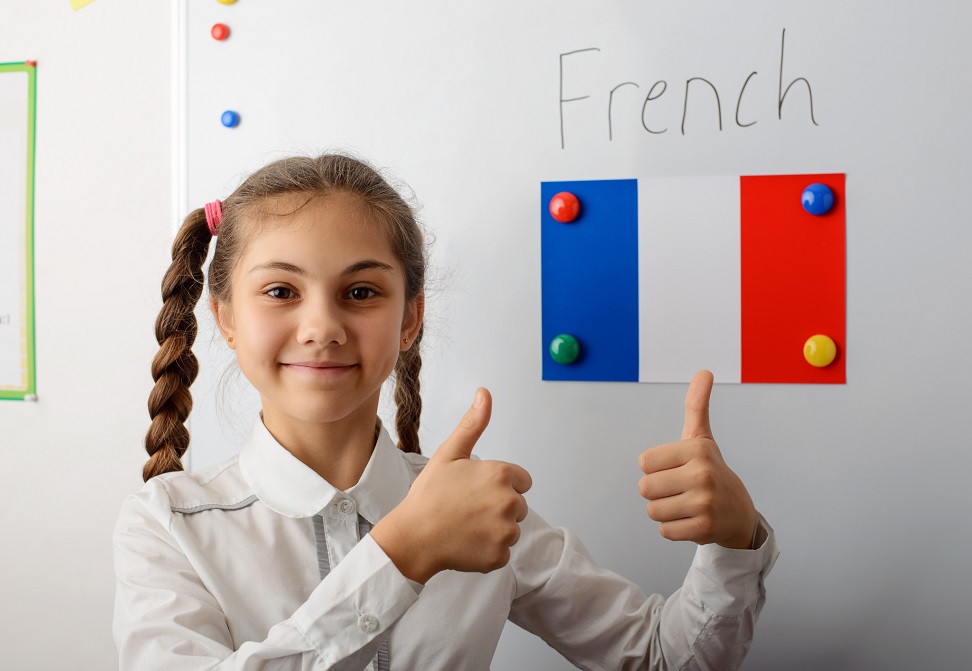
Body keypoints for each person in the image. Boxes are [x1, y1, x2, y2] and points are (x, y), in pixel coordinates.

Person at [113, 153, 778, 670]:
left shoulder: (476, 507)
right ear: (226, 318)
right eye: (281, 290)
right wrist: (401, 555)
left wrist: (732, 540)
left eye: (362, 290)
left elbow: (664, 656)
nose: (322, 326)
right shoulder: (167, 523)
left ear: (410, 320)